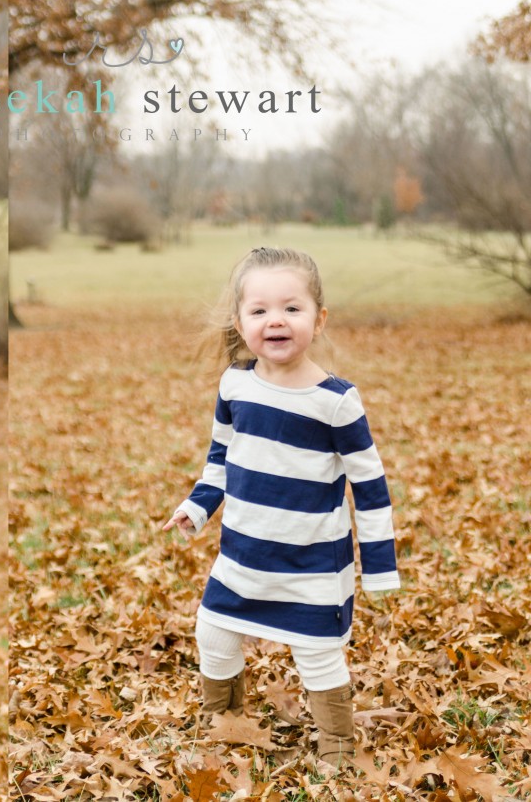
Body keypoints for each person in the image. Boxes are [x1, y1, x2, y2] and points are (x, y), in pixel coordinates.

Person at [160, 246, 400, 770]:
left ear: (319, 318)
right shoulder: (235, 385)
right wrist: (197, 507)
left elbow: (371, 486)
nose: (277, 320)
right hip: (242, 554)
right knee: (214, 632)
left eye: (292, 308)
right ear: (239, 320)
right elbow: (221, 459)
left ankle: (336, 744)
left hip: (310, 563)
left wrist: (379, 567)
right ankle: (223, 722)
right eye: (260, 310)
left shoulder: (335, 401)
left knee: (316, 653)